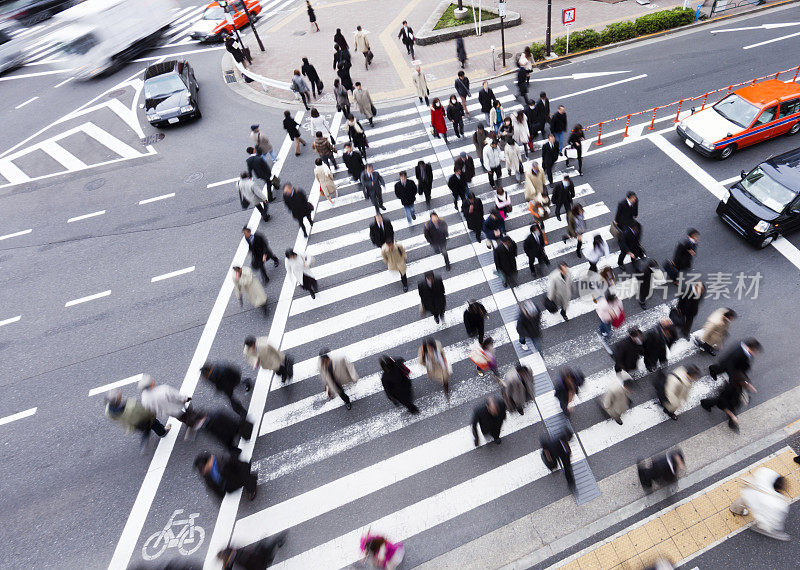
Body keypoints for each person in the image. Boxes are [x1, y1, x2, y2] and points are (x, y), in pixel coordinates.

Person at [729, 467, 791, 541]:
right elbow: (769, 517)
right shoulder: (777, 503)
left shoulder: (766, 473)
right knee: (766, 523)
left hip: (747, 491)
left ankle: (735, 509)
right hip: (754, 500)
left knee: (741, 501)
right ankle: (760, 528)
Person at [105, 392, 170, 446]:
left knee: (143, 429)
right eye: (119, 396)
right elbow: (144, 411)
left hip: (131, 423)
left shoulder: (109, 411)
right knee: (155, 424)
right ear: (118, 400)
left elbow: (114, 419)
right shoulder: (130, 405)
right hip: (143, 419)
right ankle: (163, 432)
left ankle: (145, 439)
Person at [183, 407, 253, 452]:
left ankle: (239, 448)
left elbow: (229, 421)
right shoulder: (211, 417)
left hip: (228, 431)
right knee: (234, 438)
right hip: (228, 432)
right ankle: (243, 440)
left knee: (232, 442)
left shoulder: (213, 418)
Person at [218, 533, 287, 569]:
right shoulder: (232, 552)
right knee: (269, 547)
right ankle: (269, 541)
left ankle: (278, 539)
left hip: (260, 559)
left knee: (270, 548)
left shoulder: (237, 559)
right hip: (257, 553)